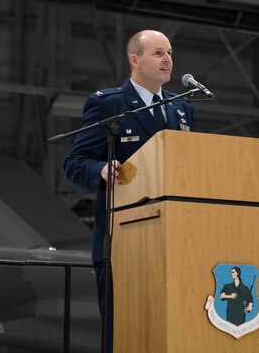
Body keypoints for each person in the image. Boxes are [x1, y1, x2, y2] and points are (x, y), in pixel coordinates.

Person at [63, 29, 196, 350]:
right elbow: (75, 162)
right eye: (158, 53)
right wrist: (102, 169)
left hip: (176, 241)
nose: (168, 60)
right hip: (123, 238)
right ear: (135, 60)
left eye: (170, 52)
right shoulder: (109, 104)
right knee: (123, 335)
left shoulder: (182, 109)